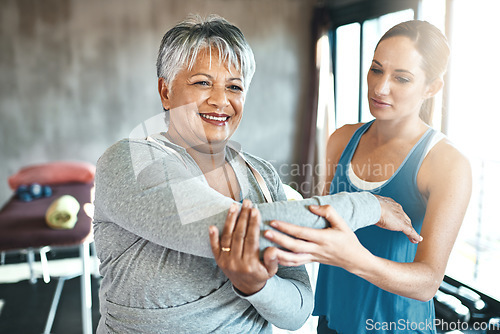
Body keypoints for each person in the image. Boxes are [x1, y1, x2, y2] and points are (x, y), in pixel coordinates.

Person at [92, 15, 421, 333]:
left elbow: (298, 310)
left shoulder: (261, 176)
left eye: (234, 86)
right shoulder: (129, 160)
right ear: (166, 92)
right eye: (202, 82)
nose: (221, 100)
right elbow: (225, 229)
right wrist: (369, 206)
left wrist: (257, 286)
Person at [264, 20, 472, 333]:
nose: (380, 87)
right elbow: (323, 223)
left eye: (401, 78)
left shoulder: (447, 163)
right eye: (376, 69)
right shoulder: (342, 139)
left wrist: (353, 257)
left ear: (431, 87)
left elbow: (427, 282)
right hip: (333, 321)